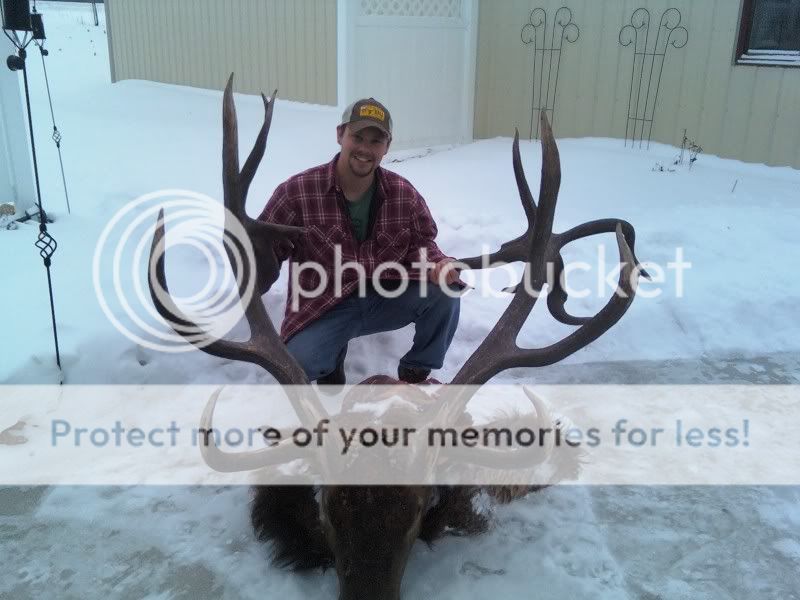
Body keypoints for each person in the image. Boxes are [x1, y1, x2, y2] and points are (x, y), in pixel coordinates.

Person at [258, 97, 462, 387]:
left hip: (382, 296)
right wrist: (251, 263)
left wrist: (438, 263)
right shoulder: (297, 192)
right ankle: (330, 361)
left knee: (446, 292)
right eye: (358, 137)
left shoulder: (403, 194)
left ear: (387, 146)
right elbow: (264, 251)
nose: (365, 149)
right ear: (340, 135)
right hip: (322, 305)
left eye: (376, 141)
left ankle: (415, 375)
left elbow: (422, 243)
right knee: (294, 369)